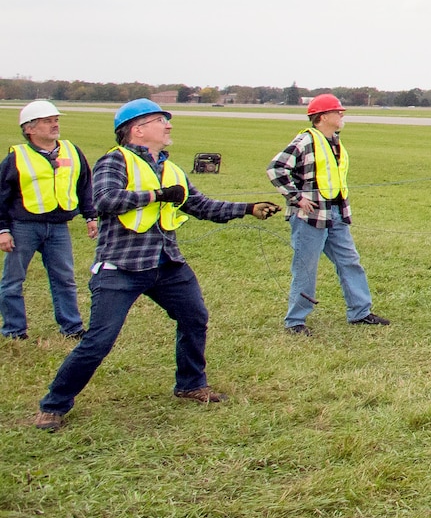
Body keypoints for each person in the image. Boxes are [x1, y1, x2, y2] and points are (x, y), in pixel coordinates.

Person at [35, 100, 278, 431]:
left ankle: (191, 384)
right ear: (138, 129)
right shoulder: (114, 160)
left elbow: (201, 205)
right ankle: (53, 405)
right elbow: (103, 200)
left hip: (167, 265)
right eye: (161, 120)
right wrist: (157, 195)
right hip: (121, 267)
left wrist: (248, 208)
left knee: (194, 318)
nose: (168, 126)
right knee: (100, 340)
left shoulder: (171, 168)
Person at [268, 94, 389, 334]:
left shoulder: (335, 141)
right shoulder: (305, 141)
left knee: (350, 262)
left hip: (336, 214)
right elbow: (276, 168)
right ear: (323, 117)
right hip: (309, 218)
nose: (342, 115)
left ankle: (360, 312)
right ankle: (295, 321)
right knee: (305, 268)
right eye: (337, 112)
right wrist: (297, 198)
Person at [1, 101, 97, 340]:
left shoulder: (72, 151)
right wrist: (3, 230)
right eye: (47, 121)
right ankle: (14, 330)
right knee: (13, 281)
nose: (55, 125)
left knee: (65, 278)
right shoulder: (16, 158)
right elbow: (1, 196)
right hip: (23, 226)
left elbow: (84, 185)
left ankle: (72, 328)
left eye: (56, 120)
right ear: (29, 129)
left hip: (59, 227)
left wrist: (90, 215)